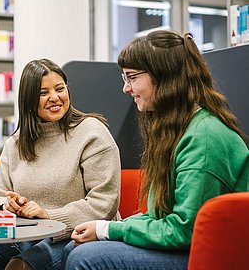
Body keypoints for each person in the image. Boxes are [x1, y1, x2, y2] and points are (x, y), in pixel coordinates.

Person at [62, 30, 249, 270]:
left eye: (131, 77)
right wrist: (106, 229)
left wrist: (108, 229)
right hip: (186, 246)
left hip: (213, 256)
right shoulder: (180, 128)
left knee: (85, 257)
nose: (126, 88)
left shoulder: (204, 137)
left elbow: (183, 229)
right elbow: (160, 216)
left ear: (163, 77)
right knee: (73, 247)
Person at [0, 58, 121, 270]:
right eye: (43, 93)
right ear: (29, 100)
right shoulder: (16, 143)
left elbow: (103, 203)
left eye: (60, 89)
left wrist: (48, 215)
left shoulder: (91, 132)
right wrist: (8, 206)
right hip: (26, 234)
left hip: (75, 234)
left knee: (19, 267)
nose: (55, 97)